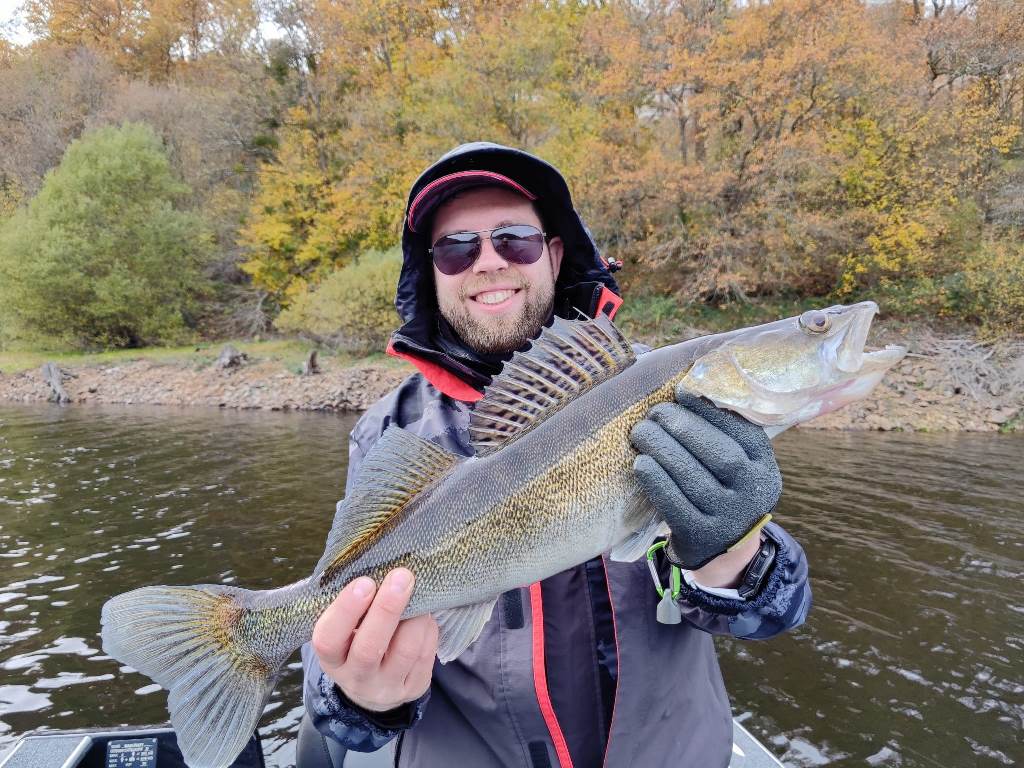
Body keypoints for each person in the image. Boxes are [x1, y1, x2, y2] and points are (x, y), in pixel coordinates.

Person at [299, 142, 811, 768]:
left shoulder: (662, 390)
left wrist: (733, 557)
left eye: (514, 239)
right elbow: (336, 689)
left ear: (555, 253)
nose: (489, 262)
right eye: (456, 248)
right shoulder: (388, 434)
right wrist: (362, 700)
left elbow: (776, 614)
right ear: (430, 273)